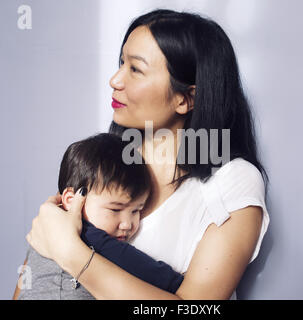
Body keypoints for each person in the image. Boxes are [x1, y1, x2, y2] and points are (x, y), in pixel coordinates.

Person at [26, 9, 270, 300]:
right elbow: (35, 279)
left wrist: (72, 254)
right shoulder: (107, 162)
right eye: (121, 63)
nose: (115, 80)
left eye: (135, 69)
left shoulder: (233, 180)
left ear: (186, 99)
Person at [14, 133, 184, 299]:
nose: (127, 224)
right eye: (115, 210)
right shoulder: (93, 237)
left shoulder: (44, 228)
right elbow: (163, 279)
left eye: (136, 211)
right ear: (72, 200)